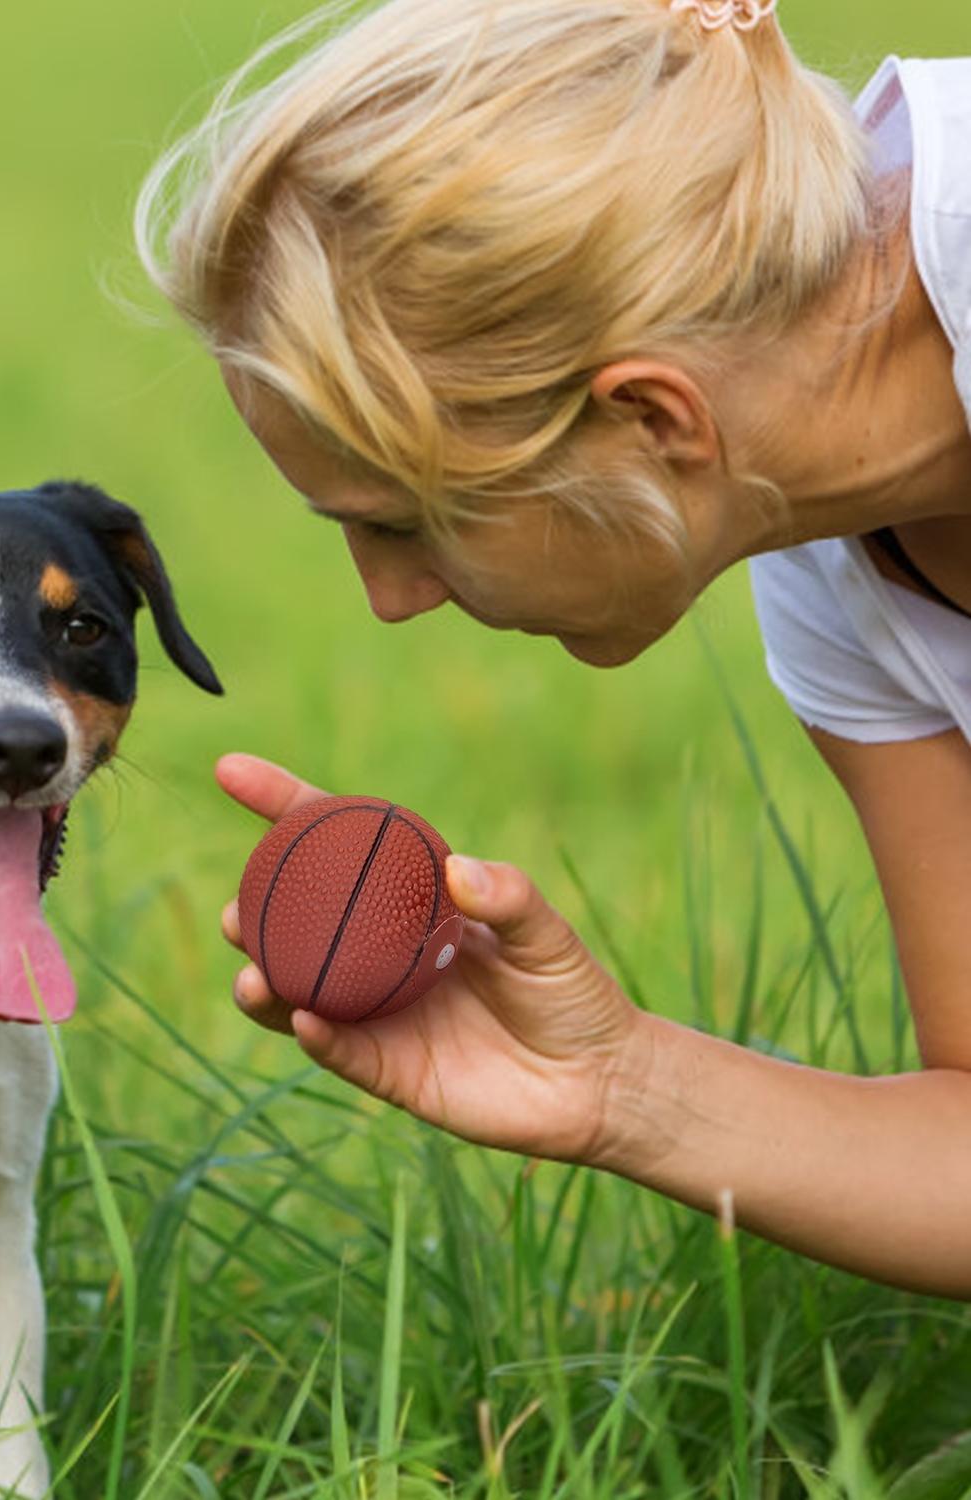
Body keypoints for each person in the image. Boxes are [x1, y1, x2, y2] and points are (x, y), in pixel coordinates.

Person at [136, 0, 971, 1296]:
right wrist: (620, 1082)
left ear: (650, 416)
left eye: (405, 523)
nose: (390, 599)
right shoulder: (828, 540)